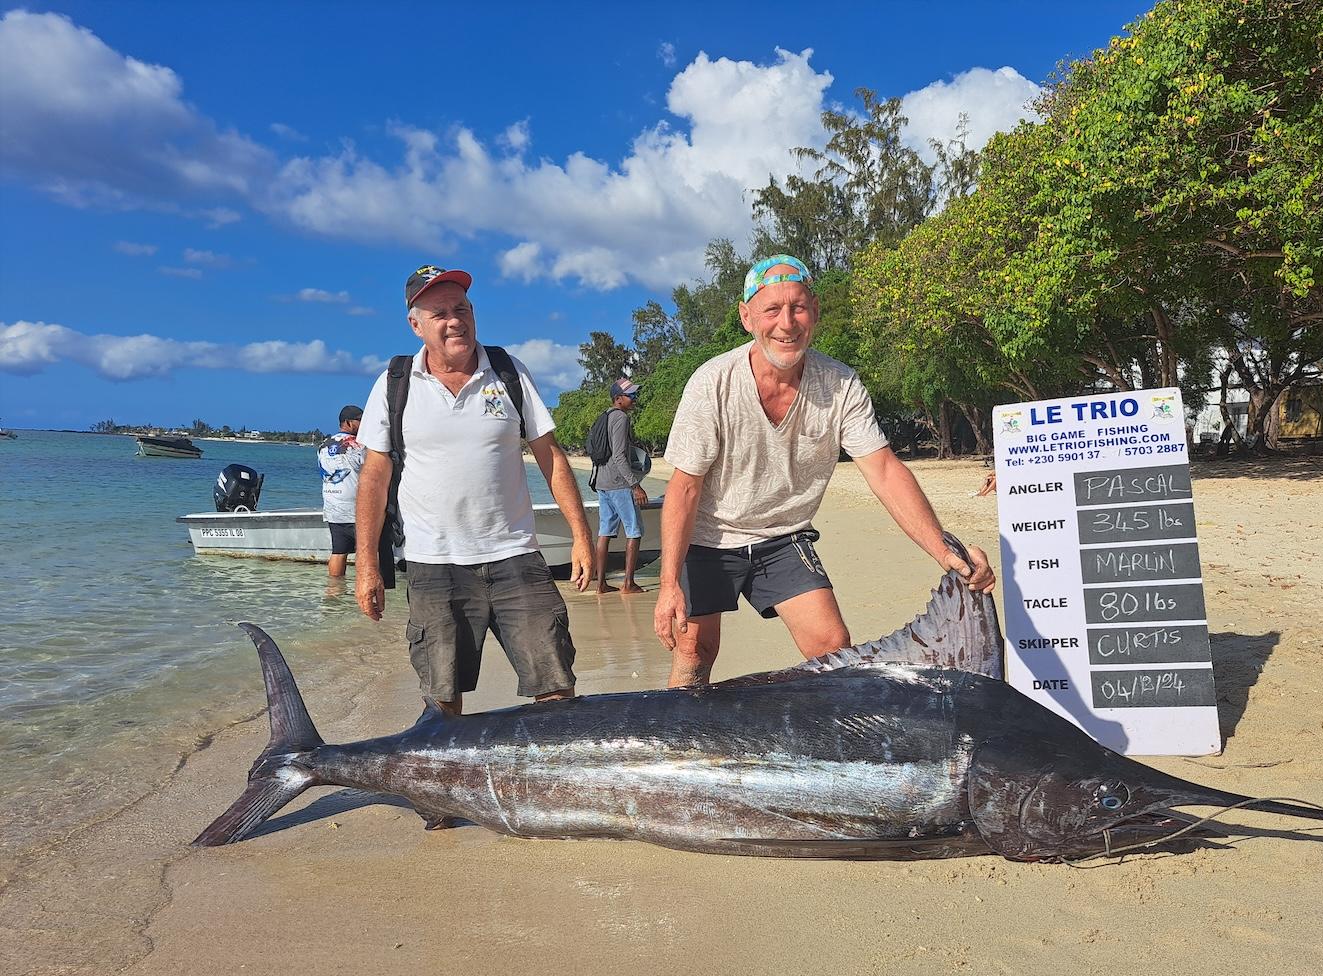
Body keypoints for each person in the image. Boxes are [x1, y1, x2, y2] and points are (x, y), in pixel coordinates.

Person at [653, 253, 996, 687]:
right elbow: (684, 488)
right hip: (707, 537)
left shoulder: (841, 384)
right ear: (746, 317)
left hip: (783, 535)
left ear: (815, 311)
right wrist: (668, 583)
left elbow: (885, 470)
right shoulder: (712, 382)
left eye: (797, 307)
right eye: (771, 309)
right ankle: (681, 748)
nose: (787, 323)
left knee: (834, 649)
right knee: (695, 652)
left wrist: (945, 550)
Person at [354, 265, 594, 717]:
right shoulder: (395, 383)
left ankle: (552, 786)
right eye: (440, 312)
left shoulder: (507, 371)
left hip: (516, 556)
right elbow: (373, 477)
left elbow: (551, 456)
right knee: (442, 699)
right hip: (433, 562)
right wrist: (367, 565)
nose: (455, 320)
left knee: (556, 686)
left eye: (462, 308)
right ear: (416, 324)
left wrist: (580, 535)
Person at [592, 376, 650, 594]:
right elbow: (618, 456)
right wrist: (635, 485)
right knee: (634, 531)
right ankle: (628, 584)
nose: (635, 399)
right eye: (631, 395)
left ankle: (600, 585)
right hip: (618, 484)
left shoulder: (605, 416)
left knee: (605, 531)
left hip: (603, 482)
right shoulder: (621, 418)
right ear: (618, 399)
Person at [317, 404, 365, 578]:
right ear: (348, 423)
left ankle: (335, 591)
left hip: (332, 506)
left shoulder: (323, 445)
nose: (364, 423)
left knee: (338, 551)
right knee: (366, 552)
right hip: (356, 508)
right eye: (360, 420)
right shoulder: (359, 445)